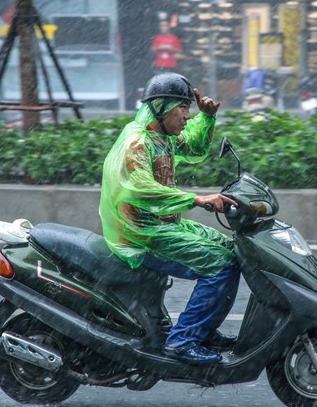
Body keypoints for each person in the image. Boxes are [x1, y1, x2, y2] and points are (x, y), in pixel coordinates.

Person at [99, 73, 240, 365]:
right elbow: (138, 189)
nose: (188, 116)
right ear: (161, 107)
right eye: (183, 108)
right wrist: (196, 199)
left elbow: (196, 149)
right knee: (220, 265)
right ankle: (183, 341)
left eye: (189, 108)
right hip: (139, 233)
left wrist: (208, 118)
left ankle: (202, 330)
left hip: (162, 224)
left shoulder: (162, 136)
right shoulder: (137, 142)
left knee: (232, 251)